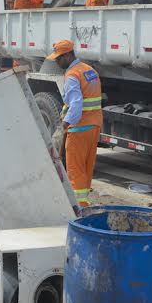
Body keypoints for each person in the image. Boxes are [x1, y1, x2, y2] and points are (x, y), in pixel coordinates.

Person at [47, 40, 102, 208]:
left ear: (69, 55)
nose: (56, 62)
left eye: (59, 58)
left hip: (79, 128)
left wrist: (64, 125)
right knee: (86, 167)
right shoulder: (89, 70)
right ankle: (83, 202)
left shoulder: (72, 75)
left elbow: (76, 105)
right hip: (94, 126)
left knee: (75, 169)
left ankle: (78, 207)